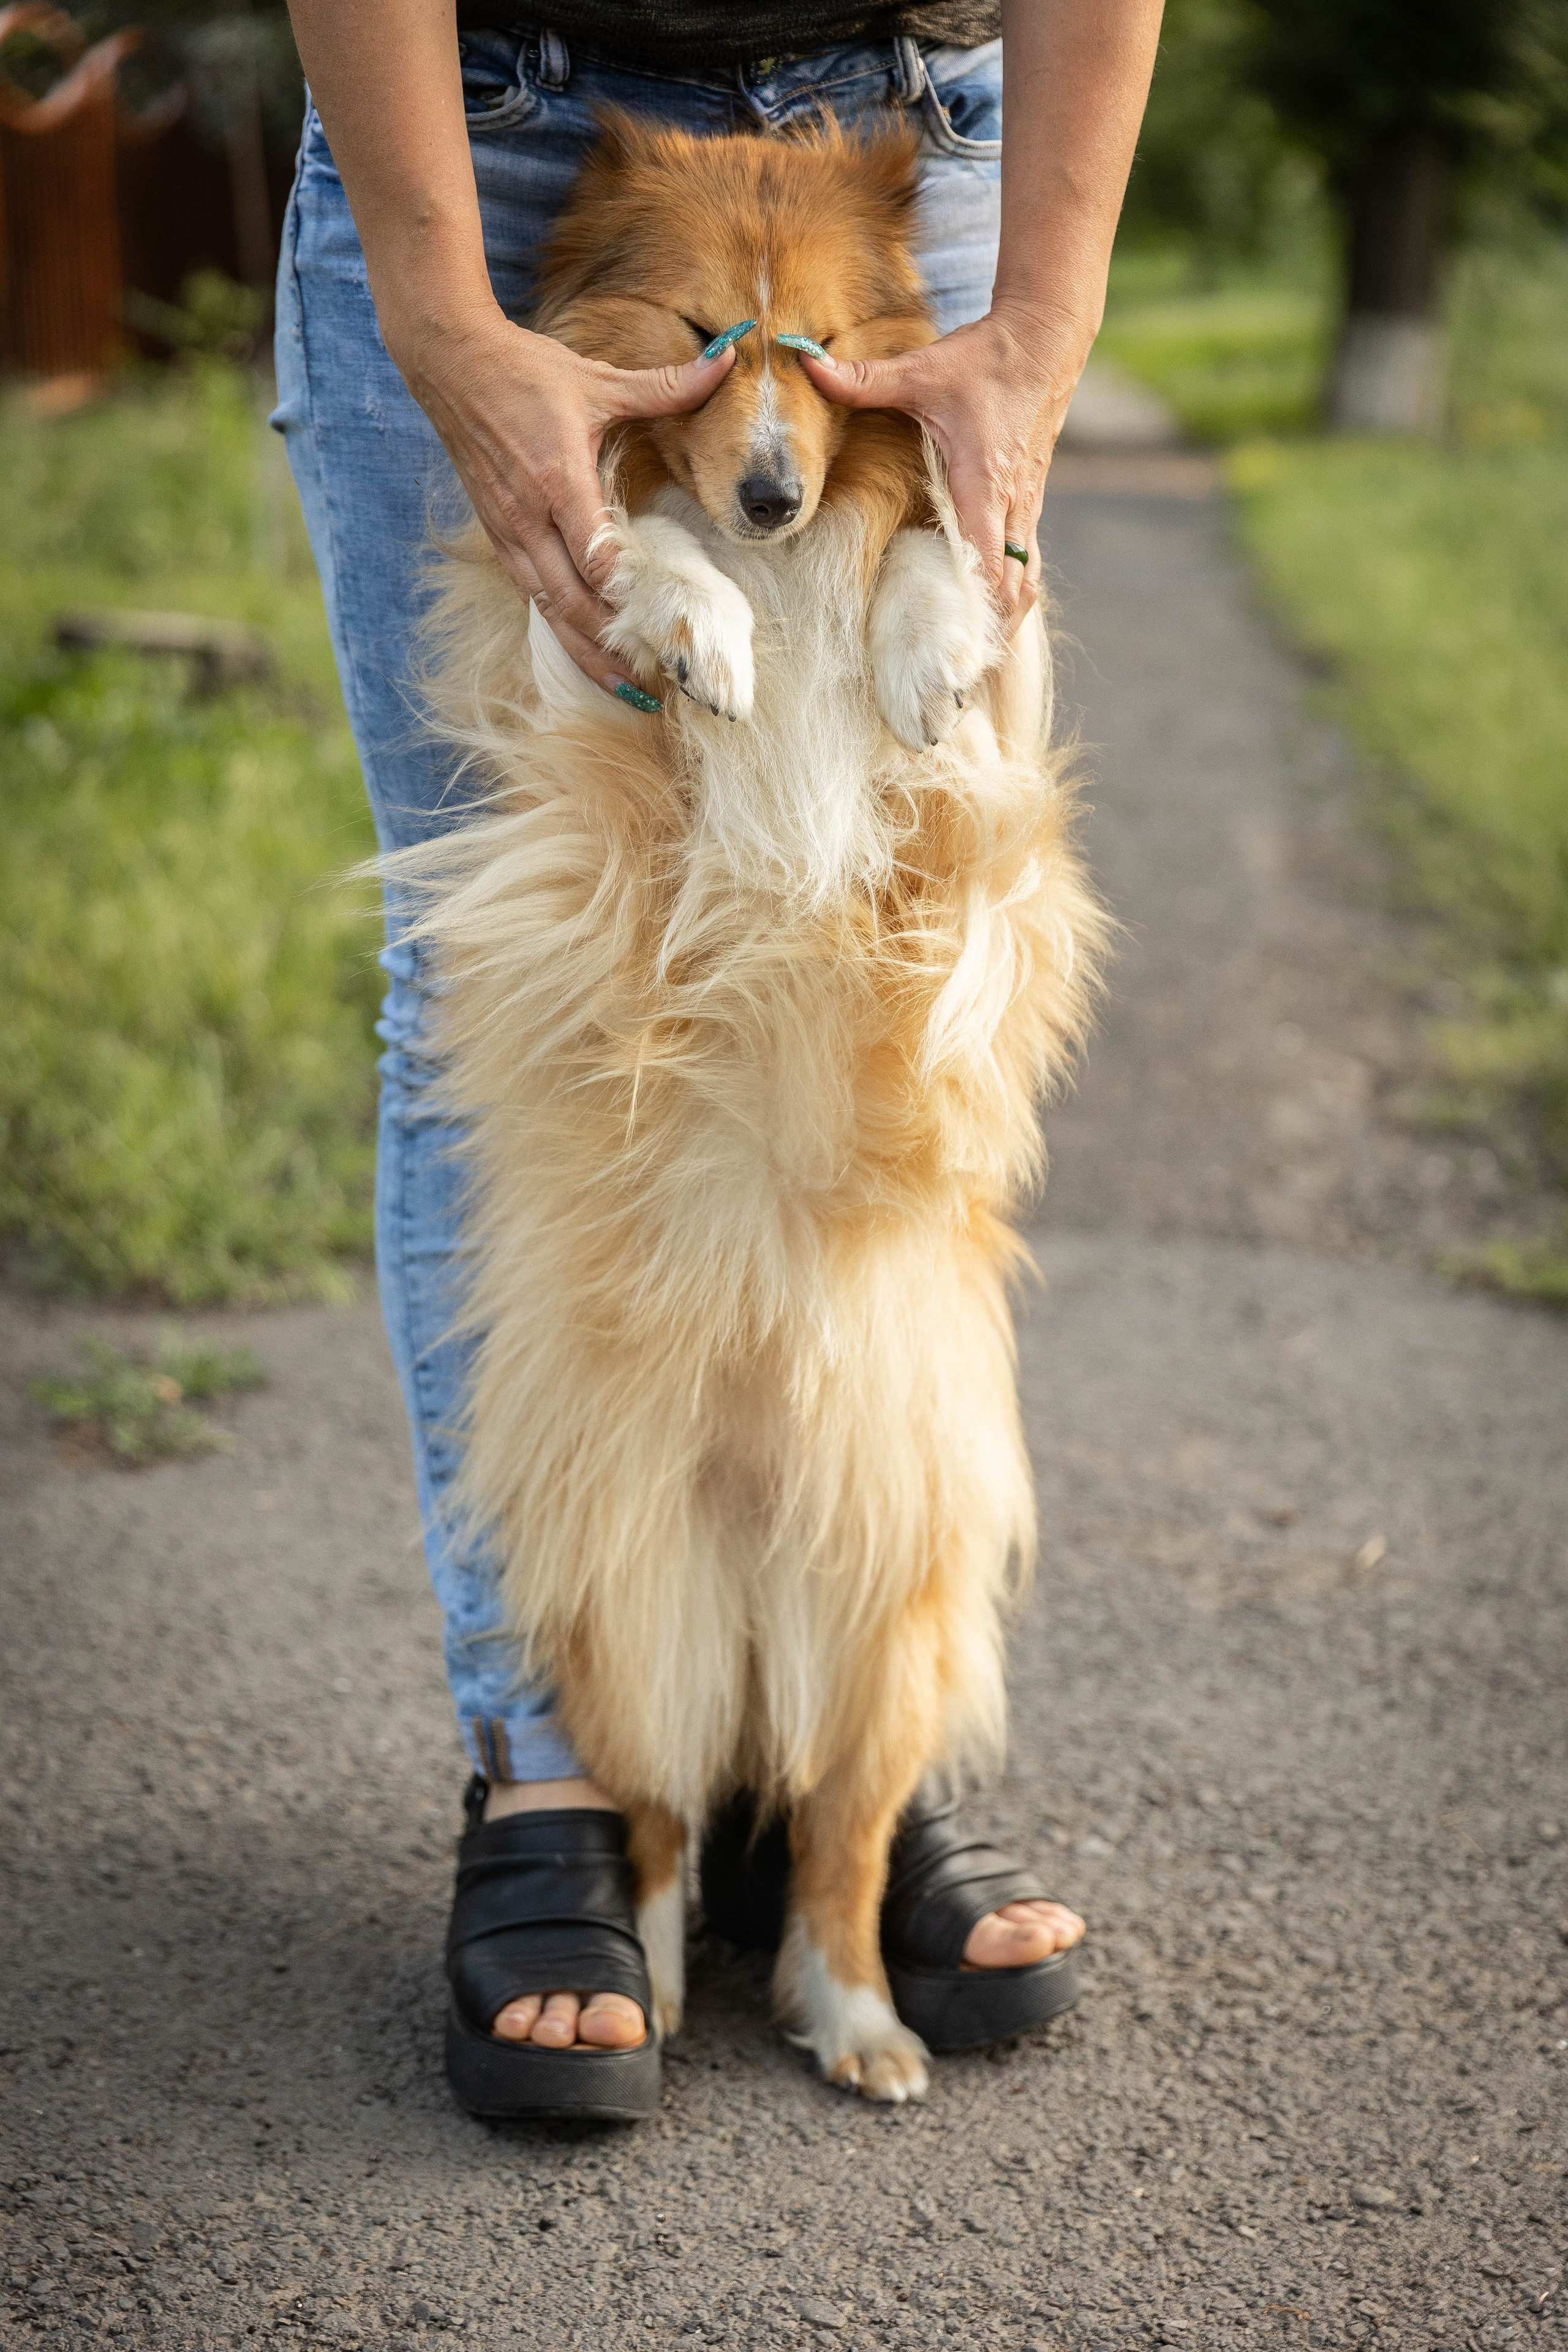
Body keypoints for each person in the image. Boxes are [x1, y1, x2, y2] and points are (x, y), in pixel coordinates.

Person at [274, 0, 1163, 2100]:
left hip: (913, 125)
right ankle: (573, 1766)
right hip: (483, 130)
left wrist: (1034, 315)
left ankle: (836, 1751)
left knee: (907, 1015)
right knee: (527, 1003)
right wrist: (435, 302)